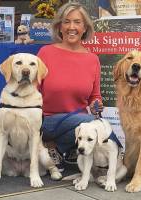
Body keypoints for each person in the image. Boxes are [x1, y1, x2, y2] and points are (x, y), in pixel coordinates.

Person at [37, 2, 103, 172]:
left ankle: (58, 149)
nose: (71, 27)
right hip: (47, 121)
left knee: (95, 123)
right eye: (66, 22)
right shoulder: (45, 53)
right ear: (59, 27)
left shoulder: (92, 59)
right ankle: (50, 144)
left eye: (77, 22)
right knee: (90, 122)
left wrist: (97, 104)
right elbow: (32, 91)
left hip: (76, 124)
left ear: (85, 28)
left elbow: (94, 96)